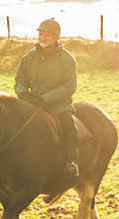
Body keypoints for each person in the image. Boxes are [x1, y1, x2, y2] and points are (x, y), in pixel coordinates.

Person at [14, 17, 79, 179]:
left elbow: (69, 86)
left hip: (58, 105)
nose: (43, 38)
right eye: (41, 34)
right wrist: (23, 94)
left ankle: (71, 162)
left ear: (56, 37)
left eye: (47, 35)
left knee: (68, 125)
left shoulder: (67, 59)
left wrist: (45, 99)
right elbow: (20, 79)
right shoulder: (29, 57)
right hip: (30, 103)